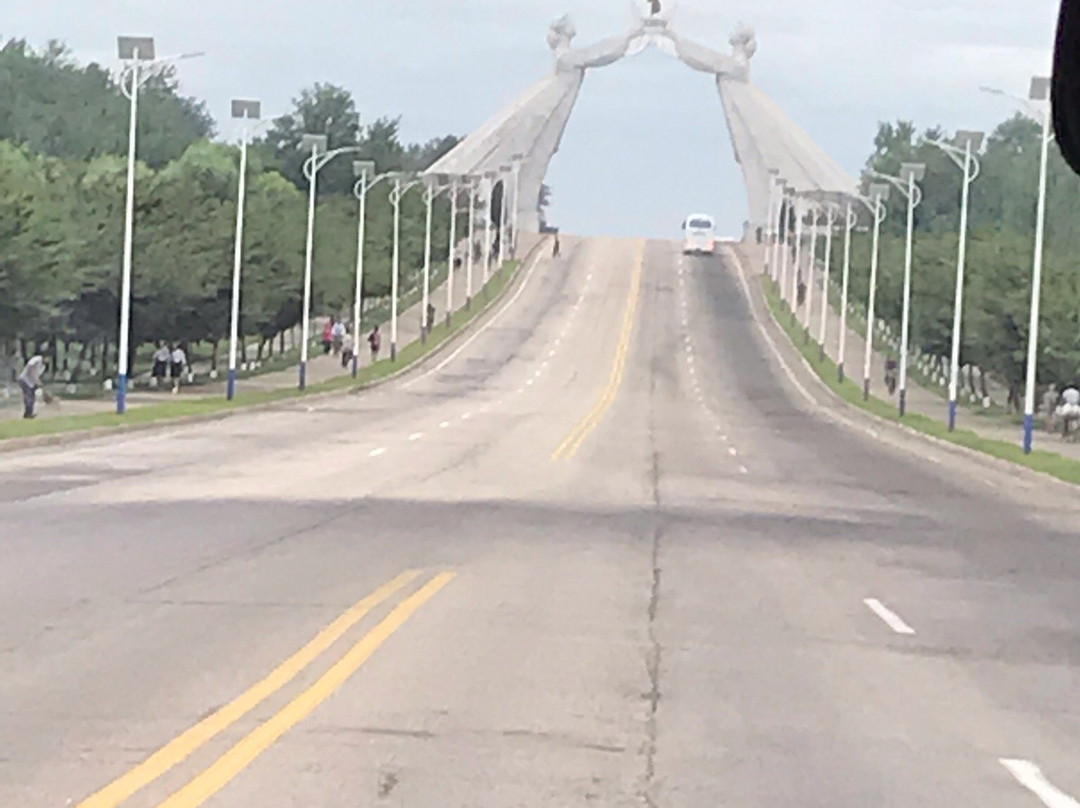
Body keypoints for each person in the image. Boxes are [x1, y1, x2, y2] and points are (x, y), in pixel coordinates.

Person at [18, 354, 52, 419]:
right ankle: (28, 414)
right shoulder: (37, 359)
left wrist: (39, 383)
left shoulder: (43, 367)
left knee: (32, 398)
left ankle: (29, 413)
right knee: (29, 397)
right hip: (25, 380)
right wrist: (35, 379)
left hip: (31, 382)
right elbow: (30, 366)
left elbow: (36, 376)